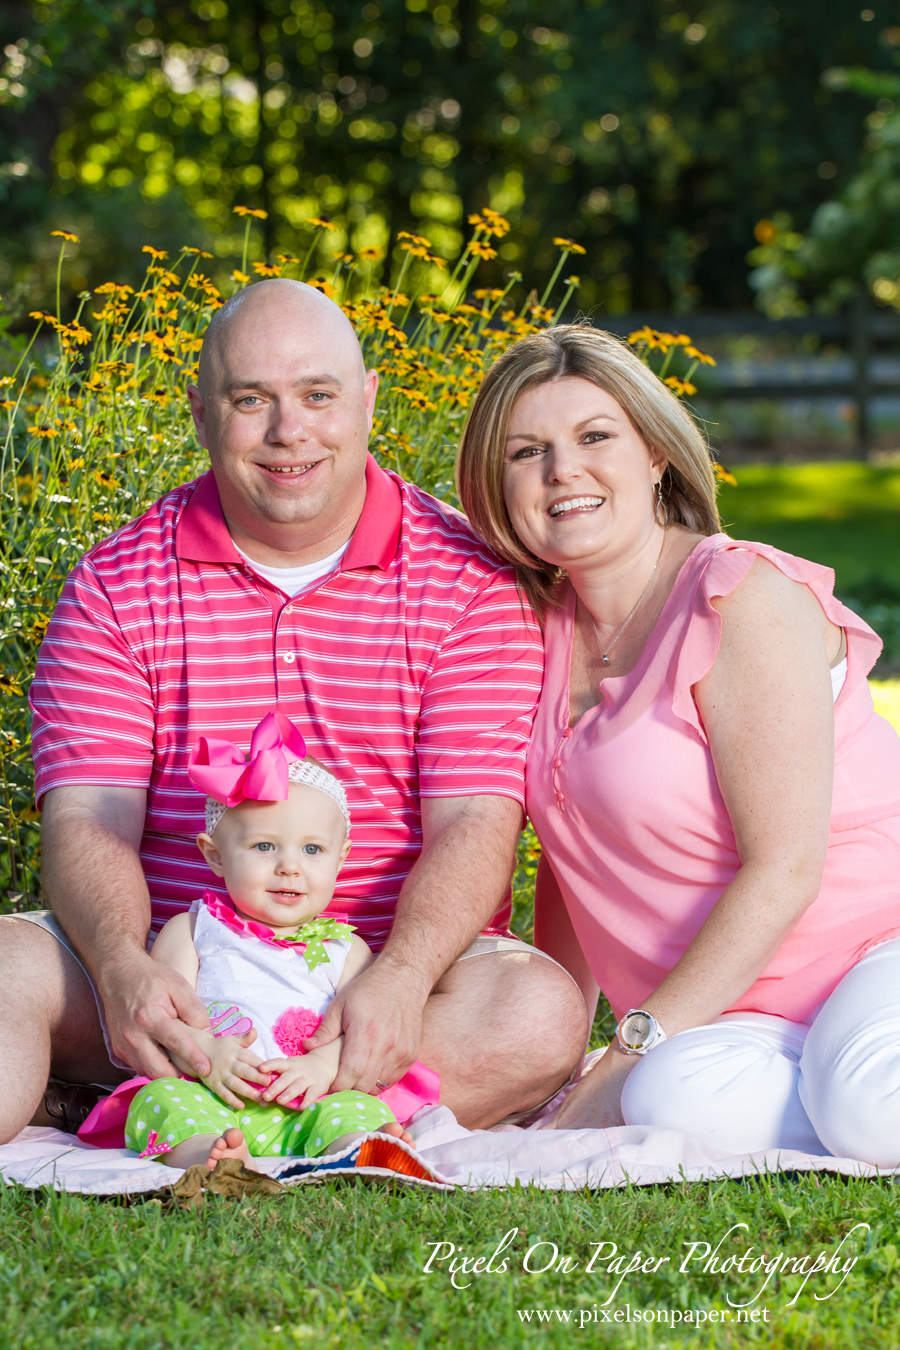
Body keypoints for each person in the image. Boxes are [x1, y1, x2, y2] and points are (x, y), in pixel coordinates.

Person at [3, 278, 587, 1145]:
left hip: (386, 985)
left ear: (368, 401)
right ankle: (251, 1102)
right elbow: (89, 814)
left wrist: (399, 976)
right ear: (201, 414)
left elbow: (472, 817)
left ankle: (145, 1108)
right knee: (9, 966)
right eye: (252, 401)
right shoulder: (116, 585)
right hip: (176, 972)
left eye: (318, 395)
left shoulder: (468, 582)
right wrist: (125, 968)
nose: (290, 432)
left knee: (538, 1010)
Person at [456, 323, 900, 1166]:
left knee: (870, 1108)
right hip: (732, 1016)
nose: (563, 472)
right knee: (666, 1101)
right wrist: (560, 1063)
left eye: (594, 437)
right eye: (526, 452)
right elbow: (573, 849)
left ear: (656, 455)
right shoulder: (534, 630)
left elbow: (786, 868)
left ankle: (850, 1091)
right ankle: (830, 1089)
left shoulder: (741, 596)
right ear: (497, 482)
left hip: (874, 948)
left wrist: (626, 1047)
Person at [110, 712, 423, 1171]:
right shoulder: (193, 931)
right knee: (162, 1098)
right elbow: (167, 1016)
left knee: (354, 1107)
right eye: (264, 847)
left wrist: (322, 1067)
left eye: (312, 850)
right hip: (214, 1097)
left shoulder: (346, 949)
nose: (289, 867)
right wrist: (204, 1054)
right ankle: (210, 1156)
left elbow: (361, 1032)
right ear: (214, 855)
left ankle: (359, 1148)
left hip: (309, 1102)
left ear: (341, 859)